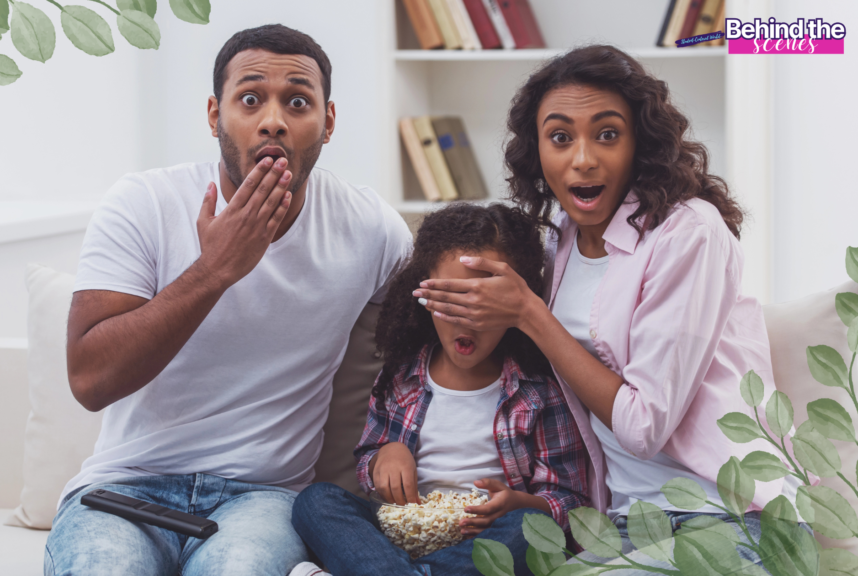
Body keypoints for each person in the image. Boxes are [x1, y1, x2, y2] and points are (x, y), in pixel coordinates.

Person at [412, 45, 807, 572]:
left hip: (730, 517)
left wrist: (530, 314)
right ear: (538, 153)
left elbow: (644, 428)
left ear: (639, 143)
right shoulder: (558, 248)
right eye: (560, 137)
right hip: (623, 523)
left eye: (606, 134)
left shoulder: (690, 233)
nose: (582, 158)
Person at [44, 24, 413, 576]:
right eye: (249, 99)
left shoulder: (369, 228)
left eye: (297, 101)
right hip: (123, 490)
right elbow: (90, 382)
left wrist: (395, 440)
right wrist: (214, 270)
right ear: (216, 115)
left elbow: (427, 342)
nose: (273, 120)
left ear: (327, 122)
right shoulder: (143, 203)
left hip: (262, 499)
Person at [290, 204, 591, 576]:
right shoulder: (401, 377)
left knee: (531, 530)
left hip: (487, 542)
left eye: (484, 303)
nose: (467, 317)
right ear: (423, 295)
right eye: (450, 300)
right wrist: (386, 455)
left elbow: (571, 502)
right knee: (316, 501)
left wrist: (520, 503)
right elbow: (369, 459)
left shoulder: (539, 391)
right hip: (397, 532)